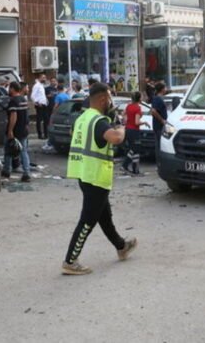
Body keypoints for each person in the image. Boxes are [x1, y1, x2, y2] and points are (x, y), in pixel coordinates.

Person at [62, 82, 137, 275]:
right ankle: (70, 261)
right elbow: (116, 138)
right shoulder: (99, 121)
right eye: (110, 97)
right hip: (96, 176)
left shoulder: (83, 118)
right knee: (87, 220)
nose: (111, 101)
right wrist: (121, 126)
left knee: (105, 217)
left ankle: (121, 247)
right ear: (103, 99)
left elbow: (73, 134)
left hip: (84, 174)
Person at [2, 81, 31, 182]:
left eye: (10, 88)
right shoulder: (23, 99)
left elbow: (13, 116)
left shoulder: (13, 101)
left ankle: (6, 171)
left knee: (8, 151)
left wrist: (10, 130)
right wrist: (27, 126)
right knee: (23, 151)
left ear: (13, 89)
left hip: (15, 131)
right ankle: (27, 173)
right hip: (23, 130)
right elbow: (27, 115)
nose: (9, 90)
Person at [121, 92, 148, 175]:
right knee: (135, 149)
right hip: (134, 131)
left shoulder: (129, 106)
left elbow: (123, 114)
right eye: (142, 96)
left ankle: (135, 170)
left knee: (134, 149)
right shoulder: (138, 108)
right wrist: (144, 122)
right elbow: (136, 122)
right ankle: (125, 165)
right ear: (139, 99)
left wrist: (126, 120)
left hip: (128, 130)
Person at [150, 82, 168, 155]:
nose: (166, 89)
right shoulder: (158, 99)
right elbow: (153, 111)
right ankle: (159, 161)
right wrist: (162, 120)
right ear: (162, 89)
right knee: (159, 144)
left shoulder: (158, 98)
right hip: (159, 126)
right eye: (165, 87)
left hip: (159, 126)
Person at [31, 74, 49, 140]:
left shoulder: (42, 86)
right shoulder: (36, 86)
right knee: (39, 120)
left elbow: (42, 95)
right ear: (39, 78)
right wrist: (37, 103)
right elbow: (33, 96)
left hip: (44, 104)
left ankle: (46, 134)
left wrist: (46, 100)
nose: (44, 79)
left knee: (46, 120)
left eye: (45, 77)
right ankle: (40, 134)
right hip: (39, 105)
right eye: (43, 77)